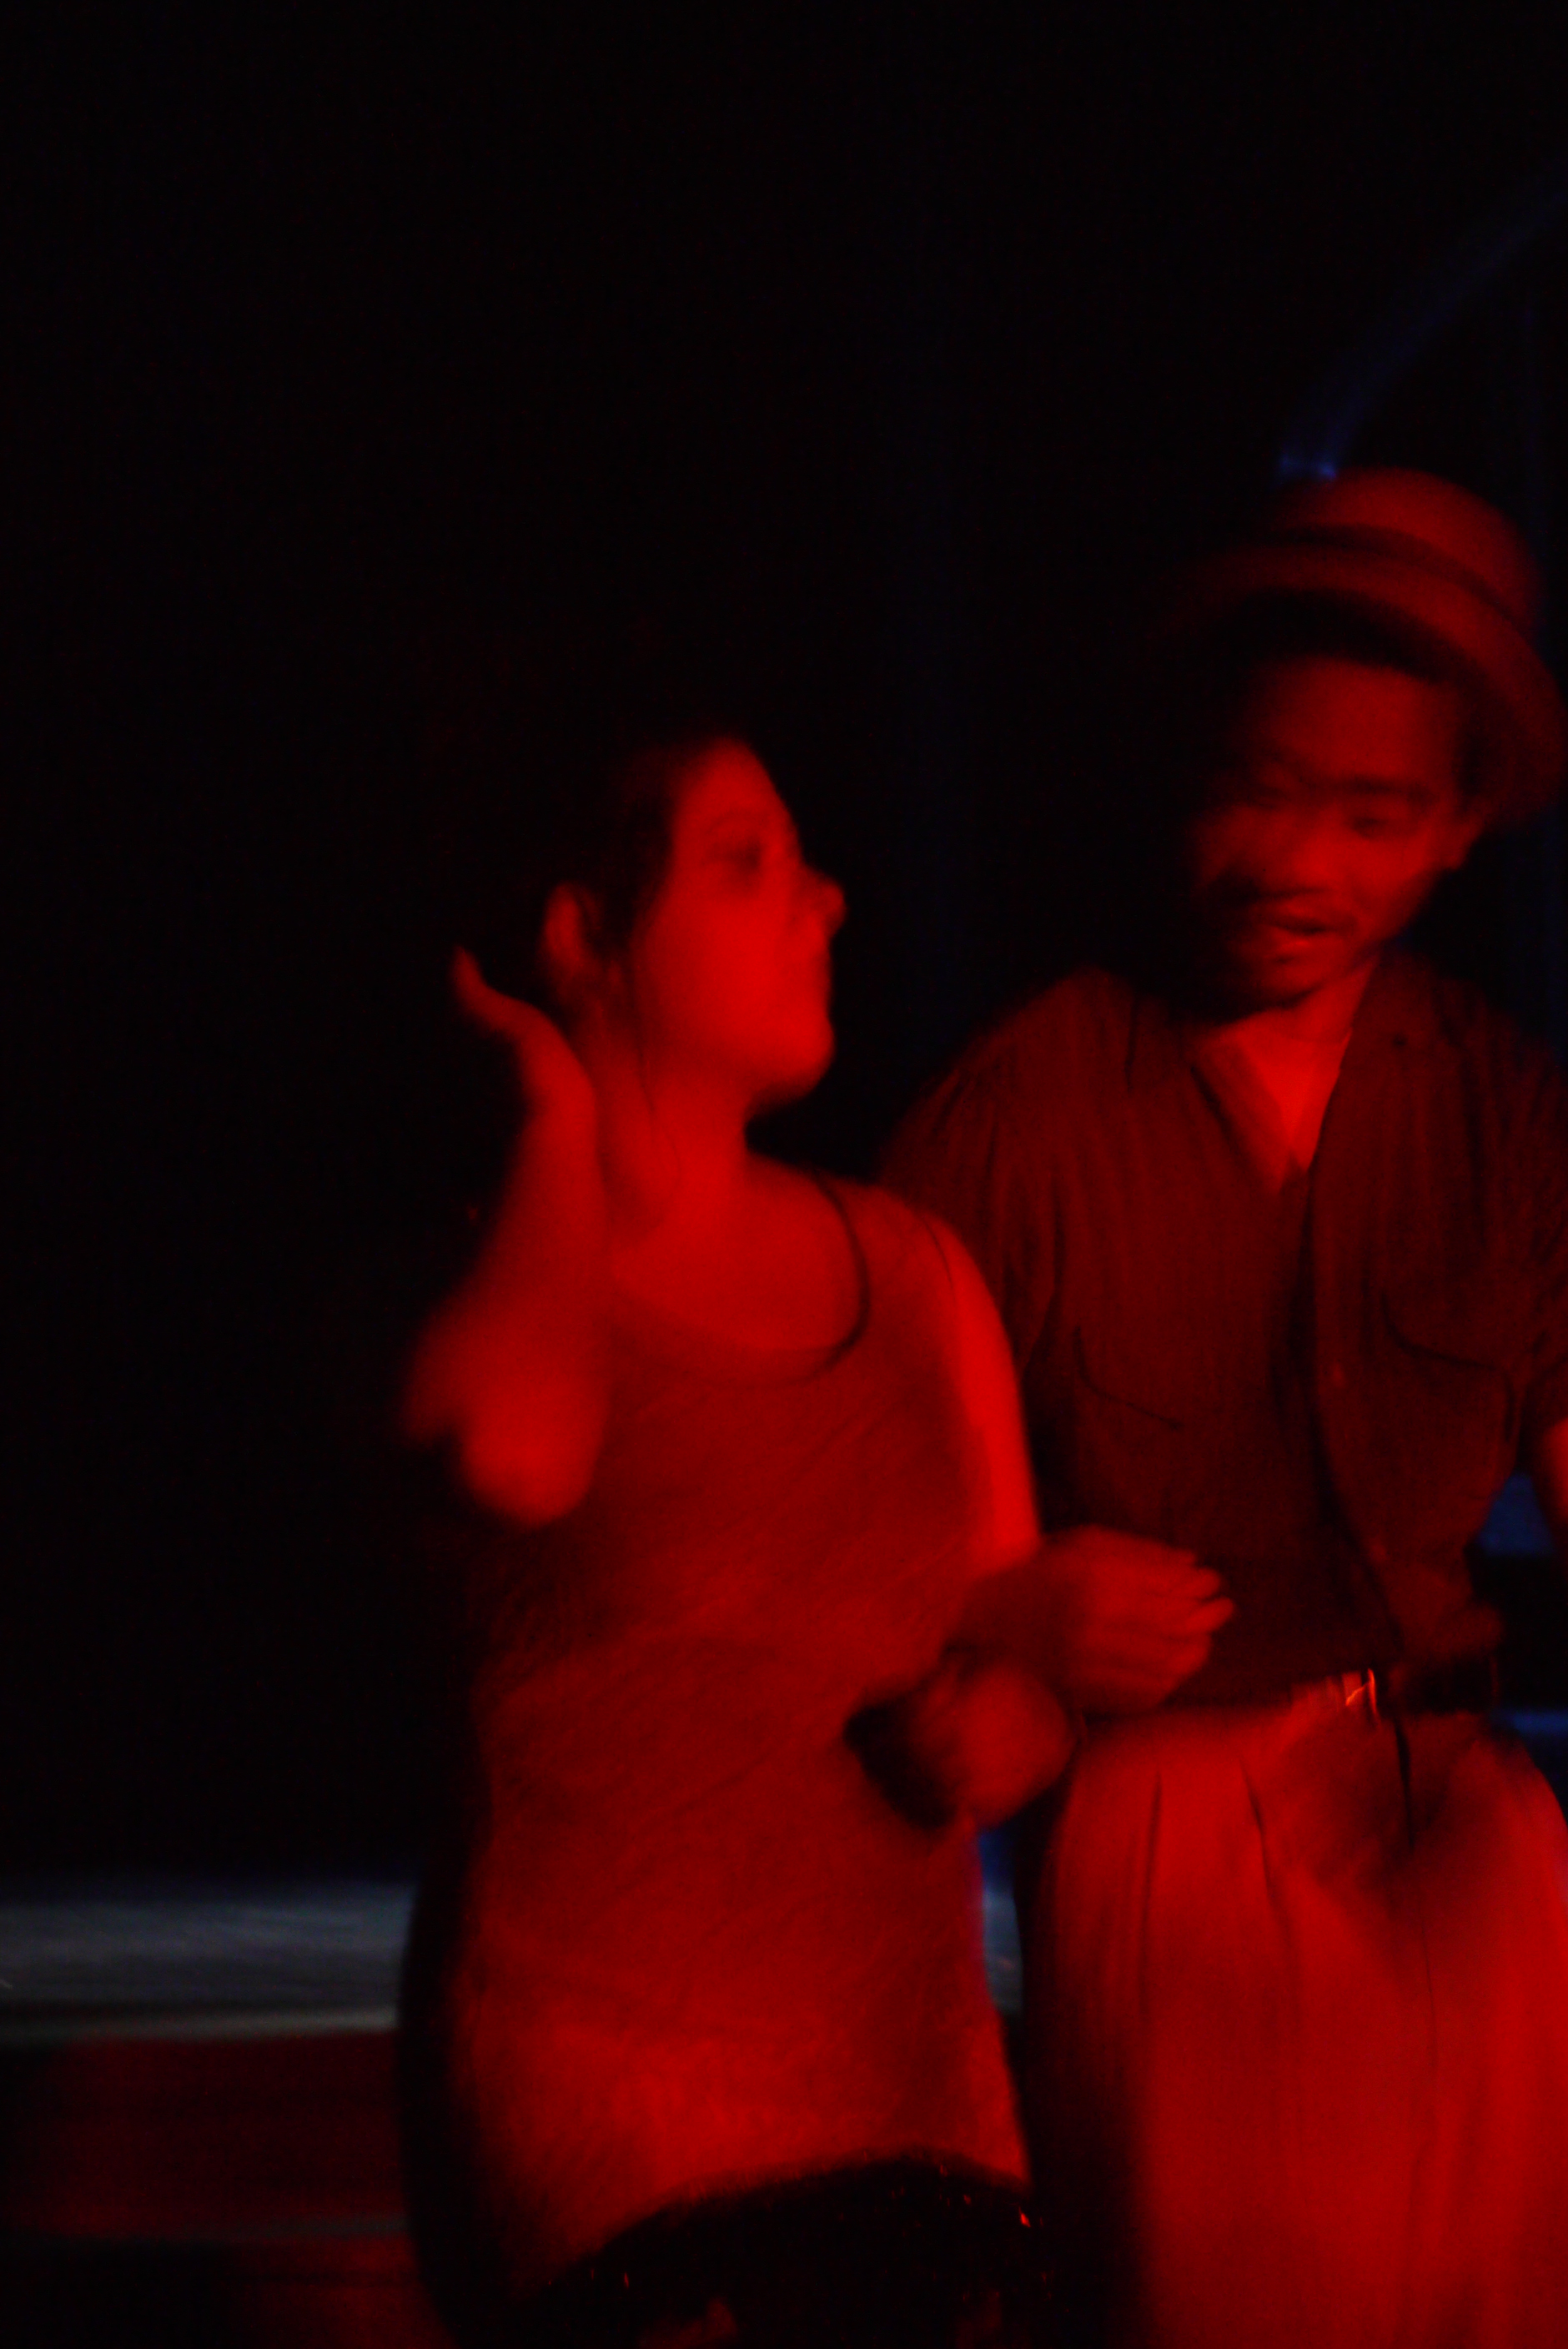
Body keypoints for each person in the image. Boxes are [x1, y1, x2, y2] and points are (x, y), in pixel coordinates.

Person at [882, 469, 1568, 2348]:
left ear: (1457, 830)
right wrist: (1005, 1605)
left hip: (1460, 1816)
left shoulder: (1504, 1111)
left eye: (1372, 814)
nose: (1296, 862)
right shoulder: (1018, 1123)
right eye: (1257, 789)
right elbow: (828, 1526)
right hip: (1169, 1824)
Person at [395, 716, 1091, 2348]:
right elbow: (512, 1454)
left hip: (911, 2097)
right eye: (745, 862)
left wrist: (1011, 1722)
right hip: (606, 2116)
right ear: (582, 935)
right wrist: (551, 1119)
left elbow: (1011, 1646)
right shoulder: (470, 1274)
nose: (825, 898)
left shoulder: (911, 1269)